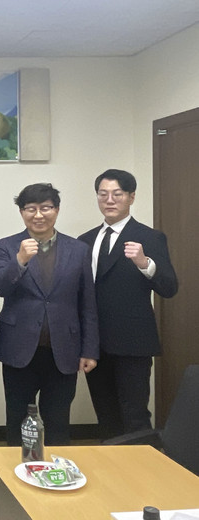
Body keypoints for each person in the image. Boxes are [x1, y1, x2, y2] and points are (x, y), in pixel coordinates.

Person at [0, 183, 98, 449]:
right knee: (18, 420)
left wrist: (90, 349)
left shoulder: (78, 249)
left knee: (58, 421)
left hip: (64, 349)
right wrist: (20, 260)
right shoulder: (7, 246)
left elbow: (87, 303)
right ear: (22, 212)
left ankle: (55, 471)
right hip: (18, 348)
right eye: (31, 209)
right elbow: (0, 287)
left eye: (46, 208)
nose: (38, 215)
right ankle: (17, 472)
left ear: (57, 210)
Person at [78, 169, 178, 440]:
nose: (109, 200)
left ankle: (143, 465)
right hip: (95, 344)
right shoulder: (85, 241)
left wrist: (145, 263)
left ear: (131, 197)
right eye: (103, 194)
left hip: (133, 342)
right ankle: (111, 465)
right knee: (105, 415)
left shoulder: (150, 237)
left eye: (117, 194)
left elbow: (169, 288)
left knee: (135, 416)